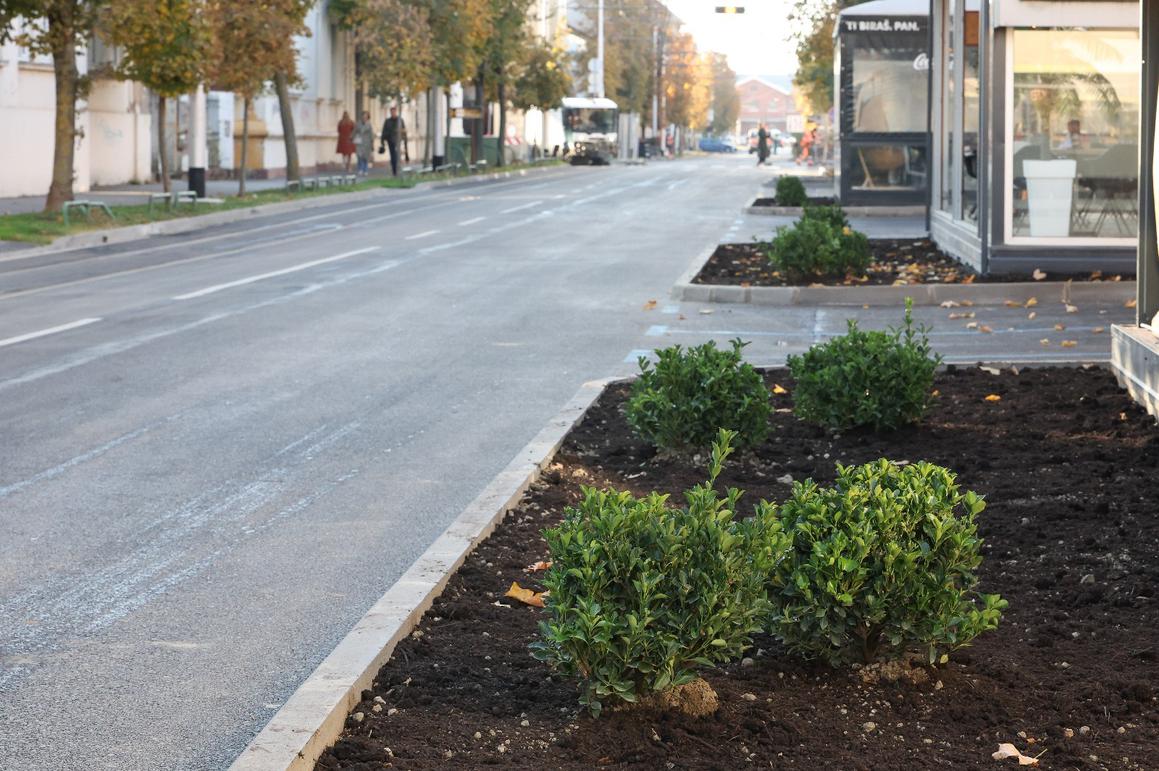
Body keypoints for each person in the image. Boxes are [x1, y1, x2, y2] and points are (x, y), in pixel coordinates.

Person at [380, 106, 406, 177]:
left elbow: (404, 130)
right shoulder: (387, 121)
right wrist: (382, 141)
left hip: (398, 141)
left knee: (398, 155)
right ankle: (394, 171)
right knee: (393, 156)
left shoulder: (400, 120)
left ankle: (398, 169)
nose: (393, 113)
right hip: (390, 141)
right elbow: (384, 131)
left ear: (396, 112)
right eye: (392, 112)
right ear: (390, 112)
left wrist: (403, 138)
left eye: (394, 111)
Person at [353, 111, 375, 176]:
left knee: (365, 157)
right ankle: (360, 169)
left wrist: (372, 143)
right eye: (363, 116)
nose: (364, 117)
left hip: (367, 143)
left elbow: (371, 134)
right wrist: (351, 138)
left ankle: (365, 170)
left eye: (366, 116)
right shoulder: (358, 124)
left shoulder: (369, 124)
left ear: (368, 117)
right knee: (359, 156)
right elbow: (354, 131)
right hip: (359, 142)